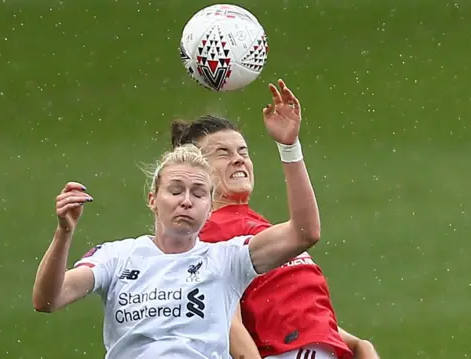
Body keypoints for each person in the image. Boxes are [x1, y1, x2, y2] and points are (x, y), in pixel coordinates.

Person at [31, 85, 322, 359]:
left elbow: (304, 232)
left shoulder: (227, 259)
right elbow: (47, 300)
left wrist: (289, 148)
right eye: (175, 190)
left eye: (197, 193)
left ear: (209, 206)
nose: (186, 200)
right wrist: (64, 233)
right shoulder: (117, 257)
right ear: (152, 199)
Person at [170, 80, 379, 359]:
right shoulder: (206, 237)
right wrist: (290, 151)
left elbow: (336, 335)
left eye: (243, 152)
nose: (238, 160)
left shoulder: (257, 226)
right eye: (223, 153)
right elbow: (227, 324)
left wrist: (362, 348)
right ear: (195, 170)